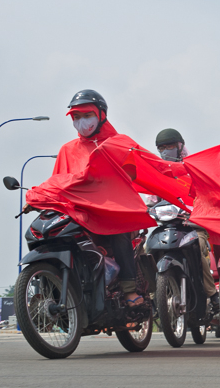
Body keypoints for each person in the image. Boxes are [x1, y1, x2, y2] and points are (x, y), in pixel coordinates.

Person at [27, 90, 148, 306]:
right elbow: (58, 182)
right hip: (79, 212)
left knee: (119, 232)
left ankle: (129, 290)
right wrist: (38, 197)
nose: (82, 122)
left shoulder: (118, 143)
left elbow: (130, 175)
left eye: (87, 115)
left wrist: (101, 183)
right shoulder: (67, 149)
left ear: (101, 115)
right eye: (76, 117)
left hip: (111, 211)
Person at [154, 128, 220, 313]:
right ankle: (154, 294)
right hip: (168, 227)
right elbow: (151, 201)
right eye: (162, 148)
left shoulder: (193, 169)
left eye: (170, 146)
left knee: (199, 245)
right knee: (145, 248)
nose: (166, 151)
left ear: (180, 146)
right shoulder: (158, 174)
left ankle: (211, 294)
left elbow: (208, 196)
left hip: (194, 227)